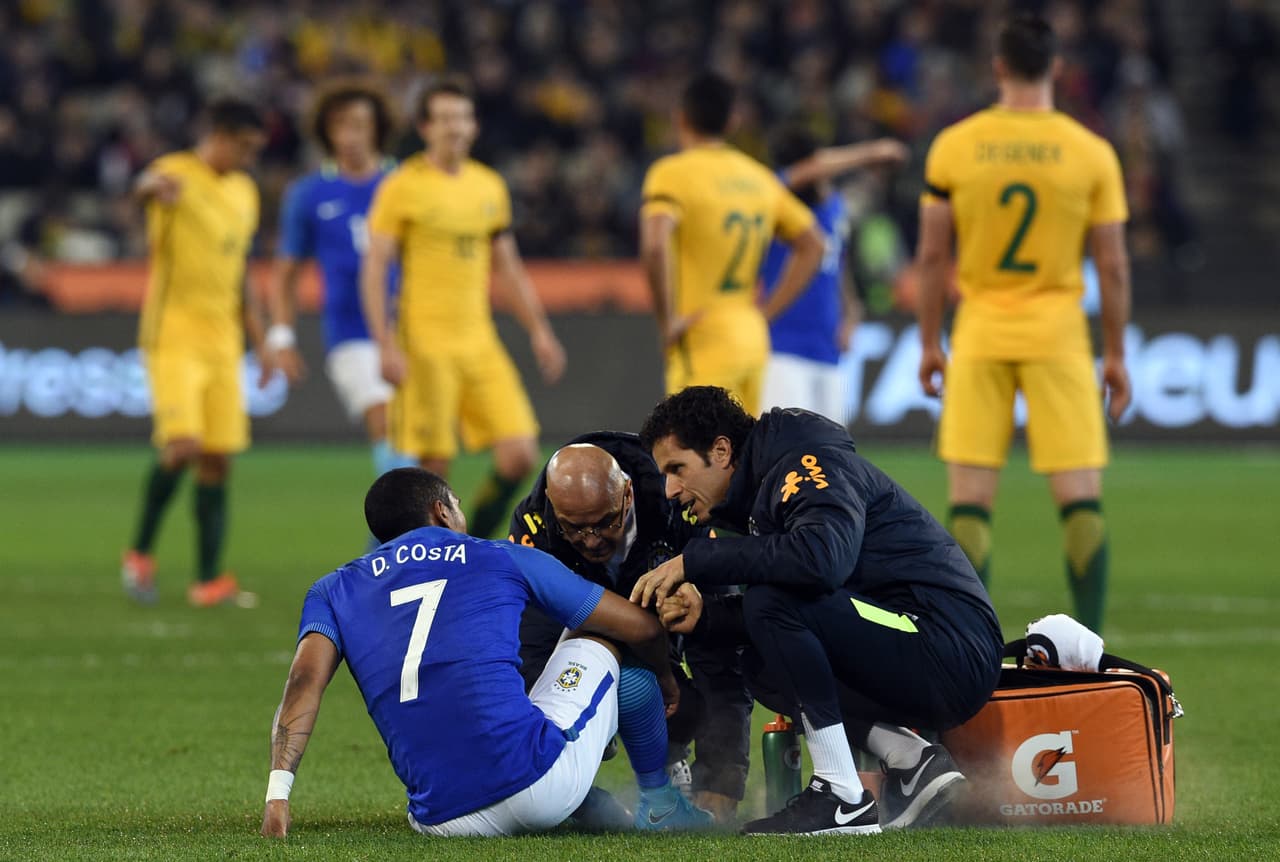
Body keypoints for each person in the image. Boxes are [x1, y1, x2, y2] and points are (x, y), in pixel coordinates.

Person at [631, 386, 1003, 835]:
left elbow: (821, 560)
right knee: (763, 663)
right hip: (920, 642)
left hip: (948, 644)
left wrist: (695, 560)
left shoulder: (805, 462)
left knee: (773, 602)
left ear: (722, 451)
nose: (670, 489)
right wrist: (707, 619)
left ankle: (841, 796)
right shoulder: (769, 482)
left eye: (677, 468)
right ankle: (914, 761)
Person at [259, 468, 709, 838]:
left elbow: (302, 685)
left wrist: (278, 795)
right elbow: (641, 628)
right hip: (537, 786)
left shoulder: (331, 589)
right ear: (441, 511)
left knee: (521, 704)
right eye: (456, 506)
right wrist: (666, 681)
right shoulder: (500, 556)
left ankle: (589, 806)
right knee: (601, 637)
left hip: (439, 819)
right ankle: (659, 803)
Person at [914, 13, 1132, 634]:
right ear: (1056, 68)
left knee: (970, 501)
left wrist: (930, 342)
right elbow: (1112, 266)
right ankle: (1090, 644)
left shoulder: (956, 145)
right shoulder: (1090, 152)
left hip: (981, 330)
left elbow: (933, 255)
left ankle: (971, 644)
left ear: (1000, 67)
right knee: (1079, 497)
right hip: (1059, 333)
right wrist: (1114, 353)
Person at [360, 77, 567, 538]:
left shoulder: (488, 185)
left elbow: (508, 268)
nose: (456, 127)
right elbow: (375, 269)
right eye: (446, 118)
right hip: (424, 342)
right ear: (425, 126)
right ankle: (431, 562)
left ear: (474, 125)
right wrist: (385, 344)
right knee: (434, 467)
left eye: (463, 117)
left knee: (519, 453)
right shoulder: (402, 187)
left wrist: (539, 330)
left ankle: (468, 544)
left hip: (478, 339)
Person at [509, 434, 751, 823]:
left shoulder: (680, 505)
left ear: (627, 494)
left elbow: (720, 653)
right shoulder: (534, 525)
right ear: (555, 511)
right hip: (584, 650)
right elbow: (532, 646)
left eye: (606, 522)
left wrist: (723, 778)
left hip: (661, 657)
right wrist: (561, 744)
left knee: (679, 694)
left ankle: (671, 767)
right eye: (575, 529)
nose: (592, 541)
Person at [120, 97, 268, 607]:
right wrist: (148, 189)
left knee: (217, 458)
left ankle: (208, 581)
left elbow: (242, 271)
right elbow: (140, 191)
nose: (250, 158)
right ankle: (139, 552)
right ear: (221, 136)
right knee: (182, 445)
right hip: (174, 335)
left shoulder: (245, 191)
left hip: (223, 339)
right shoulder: (174, 173)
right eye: (245, 147)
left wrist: (263, 336)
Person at [639, 71, 825, 416]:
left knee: (687, 458)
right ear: (732, 121)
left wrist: (667, 322)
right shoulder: (758, 177)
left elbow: (654, 245)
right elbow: (814, 244)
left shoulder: (672, 174)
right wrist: (767, 311)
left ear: (681, 117)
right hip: (751, 334)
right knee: (739, 459)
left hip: (701, 333)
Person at [264, 78, 413, 481]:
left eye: (359, 125)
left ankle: (396, 539)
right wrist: (281, 337)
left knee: (424, 452)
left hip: (417, 330)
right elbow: (286, 272)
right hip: (352, 334)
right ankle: (401, 537)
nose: (350, 136)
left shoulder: (408, 183)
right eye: (340, 126)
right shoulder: (309, 193)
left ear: (378, 128)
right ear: (326, 132)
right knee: (387, 423)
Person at [759, 127, 909, 421]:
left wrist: (851, 309)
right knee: (786, 450)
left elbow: (835, 264)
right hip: (782, 347)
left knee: (831, 453)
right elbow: (806, 171)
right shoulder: (773, 197)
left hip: (827, 348)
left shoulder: (833, 207)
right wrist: (871, 152)